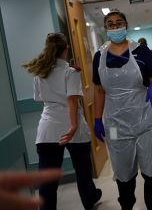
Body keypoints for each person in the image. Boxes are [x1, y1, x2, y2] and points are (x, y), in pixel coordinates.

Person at [92, 11, 152, 210]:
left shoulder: (141, 52)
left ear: (126, 25)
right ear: (105, 28)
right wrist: (97, 119)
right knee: (123, 174)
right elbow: (98, 90)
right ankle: (127, 206)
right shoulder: (99, 56)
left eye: (119, 23)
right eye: (110, 24)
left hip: (146, 120)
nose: (115, 27)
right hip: (116, 124)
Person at [23, 33, 102, 210]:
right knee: (83, 171)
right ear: (65, 50)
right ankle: (89, 199)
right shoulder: (71, 72)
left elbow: (39, 98)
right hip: (73, 128)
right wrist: (73, 126)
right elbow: (72, 100)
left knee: (47, 179)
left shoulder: (40, 72)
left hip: (48, 129)